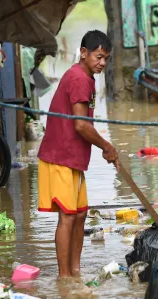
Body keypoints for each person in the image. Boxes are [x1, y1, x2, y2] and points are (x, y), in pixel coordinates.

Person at [37, 30, 119, 279]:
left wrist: (105, 146)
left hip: (73, 158)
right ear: (84, 53)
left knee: (80, 213)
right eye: (98, 56)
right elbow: (81, 125)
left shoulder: (86, 77)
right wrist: (107, 146)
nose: (102, 62)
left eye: (106, 58)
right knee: (68, 216)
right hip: (59, 156)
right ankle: (65, 277)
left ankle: (75, 271)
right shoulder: (79, 78)